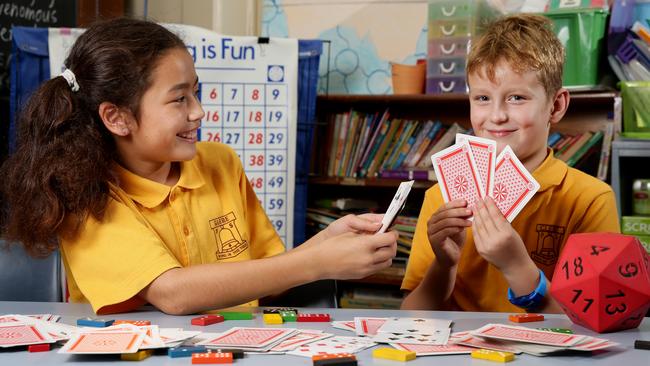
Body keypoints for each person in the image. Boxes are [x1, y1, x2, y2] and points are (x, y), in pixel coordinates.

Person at [0, 18, 397, 315]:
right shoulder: (84, 191)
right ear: (117, 118)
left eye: (196, 92)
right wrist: (315, 261)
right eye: (179, 100)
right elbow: (173, 292)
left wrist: (324, 244)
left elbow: (269, 276)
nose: (199, 111)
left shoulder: (220, 163)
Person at [400, 14, 619, 313]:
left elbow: (597, 319)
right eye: (482, 98)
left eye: (516, 97)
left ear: (556, 106)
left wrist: (516, 265)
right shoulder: (441, 198)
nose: (497, 116)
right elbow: (411, 316)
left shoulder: (589, 199)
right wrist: (444, 265)